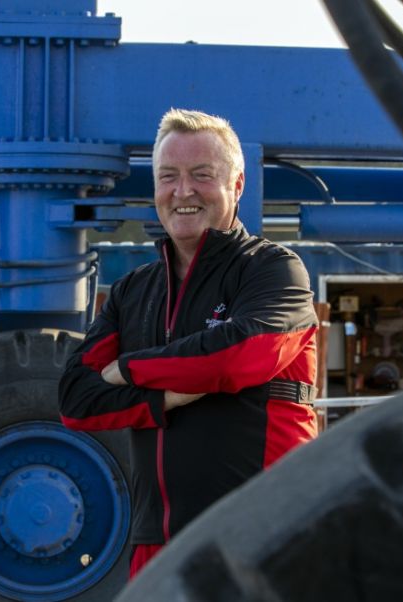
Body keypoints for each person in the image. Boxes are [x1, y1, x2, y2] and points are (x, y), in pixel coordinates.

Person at [58, 108, 319, 578]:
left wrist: (128, 369)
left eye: (202, 175)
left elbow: (241, 356)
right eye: (168, 176)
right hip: (156, 545)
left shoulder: (273, 270)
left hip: (264, 536)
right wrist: (162, 399)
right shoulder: (133, 290)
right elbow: (77, 399)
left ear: (237, 186)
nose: (183, 191)